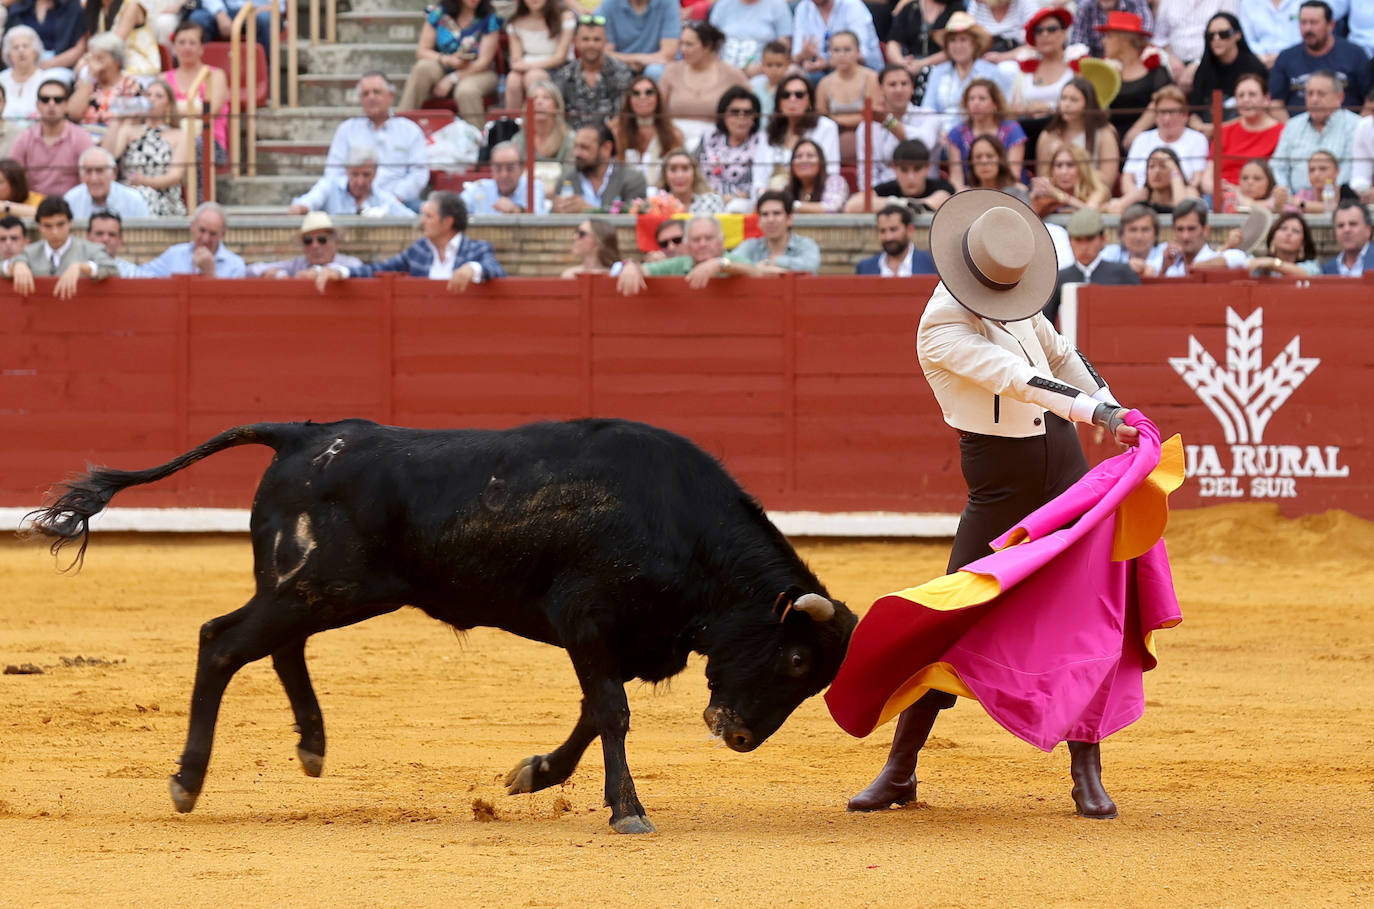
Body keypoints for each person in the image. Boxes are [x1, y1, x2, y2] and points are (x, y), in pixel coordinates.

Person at [843, 188, 1144, 820]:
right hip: (1001, 485)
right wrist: (1097, 410)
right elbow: (1018, 379)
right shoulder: (940, 328)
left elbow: (1060, 354)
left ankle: (1085, 771)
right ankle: (900, 771)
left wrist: (1111, 404)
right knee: (950, 616)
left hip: (1063, 465)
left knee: (1082, 612)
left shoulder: (1015, 297)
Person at [314, 191, 505, 293]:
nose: (422, 222)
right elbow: (379, 269)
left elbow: (497, 271)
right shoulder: (420, 250)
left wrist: (473, 268)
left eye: (428, 217)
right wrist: (341, 271)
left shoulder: (476, 250)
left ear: (447, 222)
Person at [326, 73, 429, 208]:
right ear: (360, 99)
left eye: (377, 92)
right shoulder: (346, 130)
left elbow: (419, 173)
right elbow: (333, 172)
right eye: (365, 94)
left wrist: (396, 198)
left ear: (391, 96)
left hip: (400, 201)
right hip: (353, 201)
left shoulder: (409, 130)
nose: (371, 97)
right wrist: (355, 195)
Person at [395, 0, 502, 129]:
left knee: (466, 91)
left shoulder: (489, 18)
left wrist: (452, 78)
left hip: (477, 72)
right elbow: (422, 51)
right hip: (444, 65)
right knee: (422, 68)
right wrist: (447, 59)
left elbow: (483, 62)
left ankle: (477, 140)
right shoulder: (439, 13)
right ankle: (399, 126)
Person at [613, 214, 762, 296]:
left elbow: (758, 274)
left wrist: (720, 264)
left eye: (709, 238)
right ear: (687, 245)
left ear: (721, 242)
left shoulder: (731, 260)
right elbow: (643, 269)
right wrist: (632, 265)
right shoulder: (680, 263)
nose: (703, 243)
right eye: (696, 239)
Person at [101, 78, 187, 216]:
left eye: (158, 96)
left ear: (169, 104)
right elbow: (108, 155)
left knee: (145, 196)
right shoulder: (129, 130)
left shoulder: (179, 135)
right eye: (148, 95)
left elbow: (175, 175)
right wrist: (119, 118)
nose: (152, 99)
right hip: (130, 192)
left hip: (163, 197)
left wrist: (145, 181)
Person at [0, 197, 117, 299]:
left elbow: (113, 270)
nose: (55, 232)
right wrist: (16, 265)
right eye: (47, 225)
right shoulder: (30, 252)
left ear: (70, 223)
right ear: (39, 226)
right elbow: (4, 267)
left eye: (60, 224)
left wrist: (81, 267)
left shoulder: (91, 249)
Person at [1269, 0, 1370, 115]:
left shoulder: (1354, 55)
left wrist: (1358, 130)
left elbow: (1370, 99)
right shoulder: (1286, 58)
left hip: (1347, 129)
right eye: (1303, 22)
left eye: (1314, 22)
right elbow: (1276, 103)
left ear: (1331, 25)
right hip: (1298, 129)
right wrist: (1292, 131)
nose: (1308, 28)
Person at [854, 64, 942, 196]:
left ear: (912, 87)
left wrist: (888, 121)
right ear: (881, 89)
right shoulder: (866, 127)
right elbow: (866, 174)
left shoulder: (929, 116)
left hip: (926, 193)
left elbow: (922, 145)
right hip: (885, 194)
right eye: (892, 84)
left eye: (904, 84)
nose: (899, 89)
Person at [1044, 205, 1140, 325]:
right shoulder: (1059, 278)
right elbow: (1047, 324)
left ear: (1103, 239)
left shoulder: (1123, 273)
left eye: (1090, 239)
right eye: (1078, 240)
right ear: (1070, 241)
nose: (1084, 247)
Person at [1269, 70, 1360, 193]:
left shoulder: (1356, 126)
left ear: (1340, 97)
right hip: (1294, 205)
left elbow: (1351, 169)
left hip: (1341, 204)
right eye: (1310, 93)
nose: (1314, 99)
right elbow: (1278, 167)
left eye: (1321, 94)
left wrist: (1330, 195)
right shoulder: (1292, 126)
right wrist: (1289, 198)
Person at [659, 20, 748, 139]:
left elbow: (750, 108)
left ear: (707, 46)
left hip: (716, 142)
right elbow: (658, 111)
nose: (683, 49)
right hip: (675, 139)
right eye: (681, 44)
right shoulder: (671, 72)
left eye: (689, 44)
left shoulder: (732, 75)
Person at [922, 12, 1009, 133]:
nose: (958, 46)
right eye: (953, 40)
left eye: (963, 40)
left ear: (974, 43)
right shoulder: (938, 72)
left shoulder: (991, 72)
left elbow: (1002, 111)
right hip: (939, 137)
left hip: (978, 136)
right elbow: (927, 110)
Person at [1099, 12, 1174, 147]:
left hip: (1149, 141)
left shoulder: (1156, 72)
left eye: (1109, 36)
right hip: (1113, 141)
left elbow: (1163, 100)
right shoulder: (1106, 74)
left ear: (1125, 40)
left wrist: (1137, 129)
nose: (1103, 41)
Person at [1119, 85, 1209, 195]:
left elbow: (1197, 180)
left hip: (1181, 198)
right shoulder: (1142, 139)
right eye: (1162, 112)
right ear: (1155, 116)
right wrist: (1136, 198)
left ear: (1185, 115)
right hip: (1144, 198)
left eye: (1172, 112)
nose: (1167, 118)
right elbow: (1127, 178)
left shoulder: (1197, 139)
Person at [1185, 13, 1268, 132]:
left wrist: (1217, 129)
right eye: (1211, 36)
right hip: (1206, 133)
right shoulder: (1204, 69)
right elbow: (1194, 111)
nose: (1217, 39)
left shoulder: (1254, 67)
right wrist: (1200, 127)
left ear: (1238, 35)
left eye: (1224, 34)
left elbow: (1259, 111)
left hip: (1244, 131)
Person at [10, 80, 93, 198]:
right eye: (45, 99)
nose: (51, 104)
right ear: (38, 105)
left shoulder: (81, 138)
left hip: (72, 205)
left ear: (66, 105)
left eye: (58, 100)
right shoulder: (23, 139)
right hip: (32, 206)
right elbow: (14, 180)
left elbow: (89, 180)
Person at [1034, 77, 1120, 190]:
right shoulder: (1047, 136)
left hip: (1092, 198)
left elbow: (1108, 180)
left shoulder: (1104, 133)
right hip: (1054, 199)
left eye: (1074, 100)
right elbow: (1043, 177)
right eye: (1063, 98)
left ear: (1088, 104)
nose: (1066, 104)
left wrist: (1075, 175)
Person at [163, 21, 230, 165]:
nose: (187, 47)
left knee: (195, 146)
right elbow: (157, 111)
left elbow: (211, 110)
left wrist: (172, 108)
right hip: (172, 138)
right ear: (174, 48)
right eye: (181, 42)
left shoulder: (215, 76)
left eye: (192, 43)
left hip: (209, 141)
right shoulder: (163, 79)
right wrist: (195, 107)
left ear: (201, 48)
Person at [1204, 72, 1283, 191]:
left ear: (1266, 99)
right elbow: (1206, 178)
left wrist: (1237, 192)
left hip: (1259, 199)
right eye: (1241, 96)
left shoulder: (1282, 132)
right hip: (1220, 197)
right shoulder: (1224, 131)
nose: (1246, 100)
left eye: (1252, 94)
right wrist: (1216, 189)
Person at [694, 85, 770, 205]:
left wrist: (734, 197)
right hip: (706, 200)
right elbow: (694, 171)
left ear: (755, 117)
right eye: (735, 112)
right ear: (723, 114)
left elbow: (763, 182)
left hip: (745, 204)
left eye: (747, 112)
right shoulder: (709, 137)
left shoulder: (763, 142)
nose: (741, 117)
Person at [290, 145, 416, 217]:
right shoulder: (329, 186)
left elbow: (410, 219)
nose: (360, 181)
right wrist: (302, 208)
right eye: (355, 174)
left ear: (375, 174)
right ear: (346, 171)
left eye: (366, 175)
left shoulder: (382, 198)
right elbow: (307, 202)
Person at [946, 76, 1025, 191]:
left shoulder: (1013, 130)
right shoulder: (956, 134)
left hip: (1008, 192)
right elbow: (956, 178)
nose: (976, 103)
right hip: (971, 192)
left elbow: (1014, 175)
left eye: (982, 99)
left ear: (995, 104)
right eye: (971, 99)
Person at [551, 121, 649, 212]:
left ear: (606, 148)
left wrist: (588, 210)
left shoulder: (632, 179)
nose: (577, 153)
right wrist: (555, 210)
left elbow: (632, 220)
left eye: (585, 147)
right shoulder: (567, 178)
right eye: (576, 147)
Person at [549, 16, 635, 121]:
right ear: (576, 41)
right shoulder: (564, 75)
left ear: (605, 42)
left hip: (610, 135)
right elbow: (558, 118)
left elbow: (622, 118)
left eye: (596, 39)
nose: (591, 44)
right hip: (573, 135)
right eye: (586, 39)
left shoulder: (622, 72)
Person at [885, 0, 963, 106]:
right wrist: (901, 63)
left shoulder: (957, 9)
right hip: (909, 66)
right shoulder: (910, 8)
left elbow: (958, 48)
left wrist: (922, 64)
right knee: (897, 80)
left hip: (943, 67)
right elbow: (893, 42)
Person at [845, 136, 955, 211]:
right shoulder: (887, 189)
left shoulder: (942, 186)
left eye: (917, 169)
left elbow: (942, 200)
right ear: (894, 168)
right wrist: (898, 203)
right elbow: (851, 205)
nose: (911, 177)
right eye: (904, 170)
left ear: (927, 167)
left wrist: (899, 205)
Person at [247, 211, 365, 279]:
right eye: (308, 241)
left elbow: (357, 270)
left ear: (335, 243)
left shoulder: (350, 263)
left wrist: (318, 272)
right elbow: (251, 270)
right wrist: (279, 274)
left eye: (322, 240)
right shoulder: (297, 264)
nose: (315, 245)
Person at [140, 201, 246, 277]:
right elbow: (141, 275)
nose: (205, 239)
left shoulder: (235, 265)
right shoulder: (175, 254)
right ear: (193, 227)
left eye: (213, 234)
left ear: (223, 234)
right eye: (202, 230)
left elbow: (230, 306)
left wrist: (210, 274)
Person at [1146, 197, 1246, 275]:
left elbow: (1239, 259)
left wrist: (1192, 267)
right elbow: (1144, 269)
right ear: (1174, 230)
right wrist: (1163, 269)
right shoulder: (1164, 259)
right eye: (1180, 229)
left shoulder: (1219, 257)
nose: (1185, 236)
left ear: (1205, 230)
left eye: (1191, 229)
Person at [503, 0, 575, 110]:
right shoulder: (515, 22)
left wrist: (530, 66)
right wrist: (518, 64)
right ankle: (513, 123)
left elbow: (560, 57)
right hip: (527, 68)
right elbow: (516, 58)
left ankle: (536, 123)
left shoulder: (565, 16)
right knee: (513, 79)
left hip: (559, 69)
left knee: (533, 77)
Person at [765, 75, 842, 177]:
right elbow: (759, 178)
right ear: (778, 102)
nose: (792, 99)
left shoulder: (826, 127)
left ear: (809, 100)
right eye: (786, 95)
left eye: (799, 95)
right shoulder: (769, 132)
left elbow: (831, 171)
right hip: (771, 192)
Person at [1153, 0, 1236, 92]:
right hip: (1174, 67)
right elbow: (1159, 38)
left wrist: (1198, 63)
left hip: (1212, 63)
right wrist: (1170, 59)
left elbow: (1229, 34)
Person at [732, 189, 822, 273]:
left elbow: (811, 266)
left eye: (777, 213)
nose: (771, 219)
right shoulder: (750, 245)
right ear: (759, 221)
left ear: (789, 218)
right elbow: (731, 263)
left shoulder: (806, 244)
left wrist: (768, 264)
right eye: (765, 214)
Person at [613, 75, 684, 179]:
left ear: (658, 98)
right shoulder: (617, 133)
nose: (643, 97)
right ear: (629, 99)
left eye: (649, 92)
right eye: (636, 93)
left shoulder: (674, 134)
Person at [67, 32, 142, 129]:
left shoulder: (130, 86)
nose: (94, 64)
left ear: (117, 61)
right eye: (92, 58)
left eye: (100, 58)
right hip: (84, 136)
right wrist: (90, 76)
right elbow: (73, 114)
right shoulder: (86, 83)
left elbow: (129, 123)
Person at [792, 0, 885, 76]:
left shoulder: (852, 5)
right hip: (820, 71)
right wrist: (803, 55)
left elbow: (860, 55)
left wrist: (825, 64)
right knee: (794, 75)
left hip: (864, 68)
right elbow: (795, 56)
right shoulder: (803, 7)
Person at [816, 29, 881, 135]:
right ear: (830, 53)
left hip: (868, 134)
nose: (842, 55)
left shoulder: (871, 77)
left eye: (847, 50)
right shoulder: (824, 84)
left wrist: (837, 121)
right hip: (834, 136)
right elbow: (822, 119)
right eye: (836, 50)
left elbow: (875, 114)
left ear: (858, 52)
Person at [457, 140, 548, 214]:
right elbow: (455, 210)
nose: (504, 175)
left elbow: (537, 217)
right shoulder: (479, 188)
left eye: (510, 168)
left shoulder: (533, 186)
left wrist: (516, 210)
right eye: (498, 168)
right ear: (491, 168)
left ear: (522, 168)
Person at [599, 0, 682, 81]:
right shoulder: (609, 4)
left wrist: (641, 62)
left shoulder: (669, 2)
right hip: (623, 65)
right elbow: (603, 52)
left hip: (657, 66)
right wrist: (638, 59)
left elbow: (668, 54)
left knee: (655, 71)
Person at [1017, 6, 1075, 118]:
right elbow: (1011, 108)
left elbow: (1086, 104)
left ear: (1064, 34)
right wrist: (1026, 109)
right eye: (1039, 31)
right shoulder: (1024, 69)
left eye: (1052, 29)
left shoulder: (1077, 64)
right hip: (1030, 128)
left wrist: (1050, 107)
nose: (1045, 34)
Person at [707, 0, 793, 76]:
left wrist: (763, 67)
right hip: (721, 71)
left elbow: (783, 46)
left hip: (762, 73)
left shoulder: (778, 5)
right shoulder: (722, 4)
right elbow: (710, 41)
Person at [63, 146, 149, 218]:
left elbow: (145, 236)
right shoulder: (71, 200)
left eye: (100, 171)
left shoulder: (133, 200)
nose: (94, 179)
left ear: (114, 173)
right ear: (80, 176)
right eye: (88, 171)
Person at [1109, 144, 1198, 214]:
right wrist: (1135, 196)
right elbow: (1114, 208)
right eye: (1151, 166)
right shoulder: (1143, 194)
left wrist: (1174, 171)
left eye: (1163, 166)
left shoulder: (1189, 191)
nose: (1157, 171)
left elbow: (1182, 209)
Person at [855, 201, 937, 274]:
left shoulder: (932, 265)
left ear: (909, 230)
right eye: (883, 231)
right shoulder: (865, 268)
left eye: (893, 229)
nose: (888, 237)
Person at [5, 0, 86, 74]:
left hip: (58, 66)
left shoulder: (72, 6)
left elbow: (80, 48)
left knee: (49, 88)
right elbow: (7, 45)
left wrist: (49, 64)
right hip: (22, 66)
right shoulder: (19, 6)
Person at [509, 80, 576, 168]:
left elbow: (570, 175)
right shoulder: (518, 141)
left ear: (556, 107)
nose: (539, 102)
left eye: (546, 98)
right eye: (534, 98)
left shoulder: (571, 140)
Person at [639, 146, 725, 213]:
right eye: (673, 169)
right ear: (665, 175)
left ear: (694, 173)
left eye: (685, 168)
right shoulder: (656, 205)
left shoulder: (713, 202)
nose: (679, 175)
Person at [1030, 143, 1109, 215]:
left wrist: (1059, 195)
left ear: (1082, 169)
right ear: (1052, 170)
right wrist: (1033, 197)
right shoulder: (1047, 192)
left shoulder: (1095, 190)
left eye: (1070, 165)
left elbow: (1090, 212)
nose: (1064, 172)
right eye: (1059, 165)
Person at [1245, 211, 1322, 276]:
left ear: (1303, 243)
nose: (1289, 233)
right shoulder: (1259, 267)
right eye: (1283, 228)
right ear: (1272, 237)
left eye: (1295, 231)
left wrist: (1273, 263)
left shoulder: (1312, 266)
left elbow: (1308, 275)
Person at [781, 138, 849, 212]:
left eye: (810, 156)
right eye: (798, 156)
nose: (804, 160)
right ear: (792, 164)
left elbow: (831, 208)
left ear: (821, 162)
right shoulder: (787, 186)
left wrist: (792, 205)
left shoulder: (835, 181)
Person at [1071, 0, 1153, 59]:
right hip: (1095, 57)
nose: (1104, 41)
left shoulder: (1136, 3)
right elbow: (1078, 47)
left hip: (1131, 55)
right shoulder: (1085, 7)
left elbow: (1143, 38)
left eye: (1109, 36)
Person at [1100, 201, 1164, 275]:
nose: (1139, 236)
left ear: (1155, 234)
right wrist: (1125, 268)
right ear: (1122, 234)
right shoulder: (1109, 253)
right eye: (1133, 230)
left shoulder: (1166, 253)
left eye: (1145, 229)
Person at [0, 26, 48, 121]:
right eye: (15, 47)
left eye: (25, 46)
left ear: (35, 52)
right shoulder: (1, 78)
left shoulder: (45, 79)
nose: (21, 51)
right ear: (9, 55)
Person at [965, 132, 1026, 201]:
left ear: (1000, 159)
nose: (984, 161)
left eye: (990, 156)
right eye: (978, 157)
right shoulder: (963, 196)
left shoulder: (1018, 191)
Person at [1321, 198, 1374, 275]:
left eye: (1353, 224)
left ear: (1368, 230)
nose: (1346, 230)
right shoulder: (1328, 269)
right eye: (1340, 225)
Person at [85, 208, 141, 276]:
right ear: (88, 236)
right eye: (99, 233)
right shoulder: (75, 270)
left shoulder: (133, 274)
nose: (105, 239)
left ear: (120, 239)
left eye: (112, 234)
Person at [749, 39, 791, 115]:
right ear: (762, 64)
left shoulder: (791, 87)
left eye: (779, 65)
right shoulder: (754, 85)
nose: (774, 70)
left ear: (788, 64)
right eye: (769, 65)